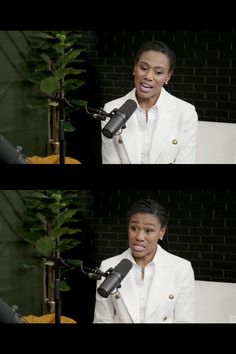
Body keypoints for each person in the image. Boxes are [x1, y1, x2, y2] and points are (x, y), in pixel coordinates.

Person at [93, 199, 195, 323]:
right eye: (134, 228)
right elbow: (102, 320)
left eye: (149, 231)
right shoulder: (108, 266)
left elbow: (184, 320)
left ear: (161, 232)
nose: (139, 237)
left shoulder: (182, 268)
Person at [101, 41, 198, 164]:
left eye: (158, 72)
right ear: (134, 68)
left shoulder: (186, 113)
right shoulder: (111, 109)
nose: (148, 76)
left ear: (168, 77)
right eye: (144, 68)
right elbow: (111, 161)